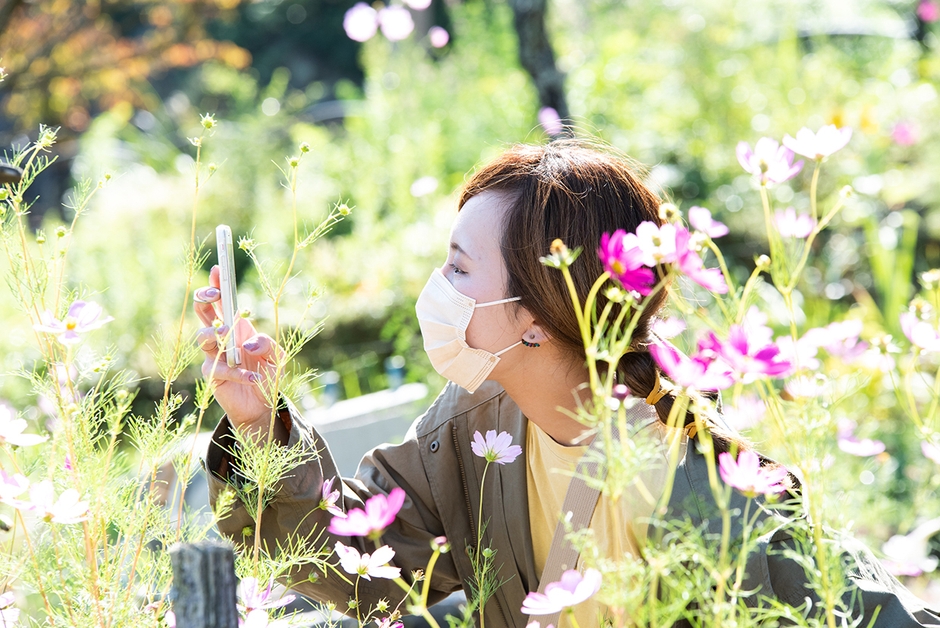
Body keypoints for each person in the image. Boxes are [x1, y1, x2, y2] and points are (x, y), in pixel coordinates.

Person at [195, 140, 940, 628]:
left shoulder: (712, 487)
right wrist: (260, 425)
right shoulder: (476, 421)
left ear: (536, 317)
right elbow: (362, 565)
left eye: (458, 268)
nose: (437, 288)